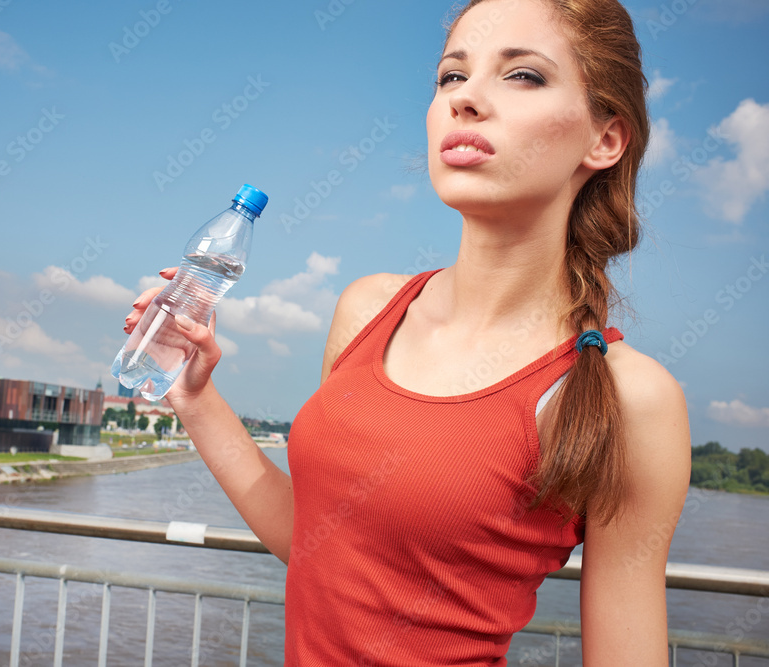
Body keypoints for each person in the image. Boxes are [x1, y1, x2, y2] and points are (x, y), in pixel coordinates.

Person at [124, 0, 691, 663]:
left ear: (605, 138)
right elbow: (318, 544)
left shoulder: (631, 399)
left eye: (524, 76)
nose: (467, 99)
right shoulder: (368, 309)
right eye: (452, 76)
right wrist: (195, 396)